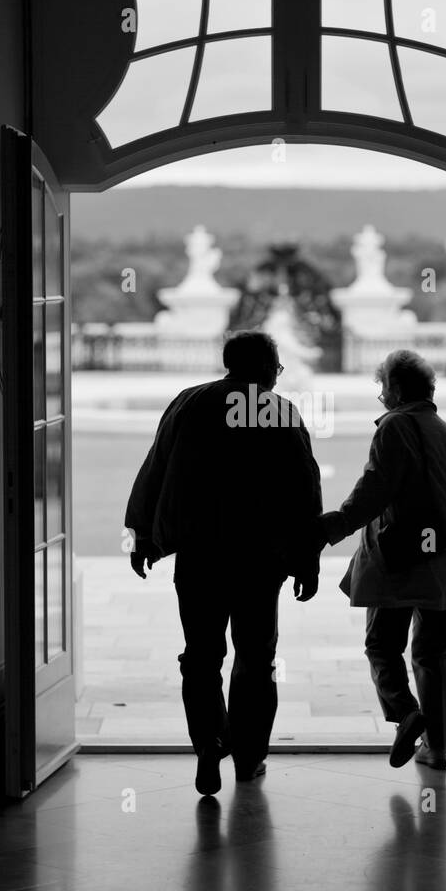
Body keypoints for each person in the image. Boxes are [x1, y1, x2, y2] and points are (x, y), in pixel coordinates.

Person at [124, 330, 322, 795]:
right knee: (256, 658)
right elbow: (303, 491)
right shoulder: (278, 412)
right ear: (270, 368)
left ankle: (209, 744)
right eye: (278, 366)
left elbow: (156, 470)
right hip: (260, 557)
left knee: (200, 656)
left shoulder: (189, 402)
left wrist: (142, 536)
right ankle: (249, 757)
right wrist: (307, 557)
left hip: (199, 554)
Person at [313, 350, 446, 770]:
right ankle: (435, 748)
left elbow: (373, 490)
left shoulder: (394, 427)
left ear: (394, 390)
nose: (381, 396)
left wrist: (332, 528)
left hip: (399, 557)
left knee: (381, 645)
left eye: (382, 388)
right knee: (433, 658)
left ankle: (406, 712)